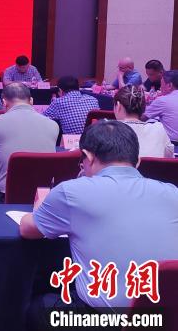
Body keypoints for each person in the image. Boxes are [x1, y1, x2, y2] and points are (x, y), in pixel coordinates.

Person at [20, 120, 178, 321]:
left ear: (88, 157)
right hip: (167, 318)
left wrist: (39, 209)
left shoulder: (72, 191)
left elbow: (27, 229)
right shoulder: (172, 193)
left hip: (105, 319)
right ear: (137, 161)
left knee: (38, 305)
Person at [113, 85, 173, 157]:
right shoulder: (159, 129)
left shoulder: (107, 131)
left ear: (118, 106)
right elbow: (170, 159)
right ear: (144, 108)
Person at [144, 69, 178, 143]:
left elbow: (141, 118)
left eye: (161, 84)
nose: (160, 88)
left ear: (169, 85)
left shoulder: (163, 100)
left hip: (173, 144)